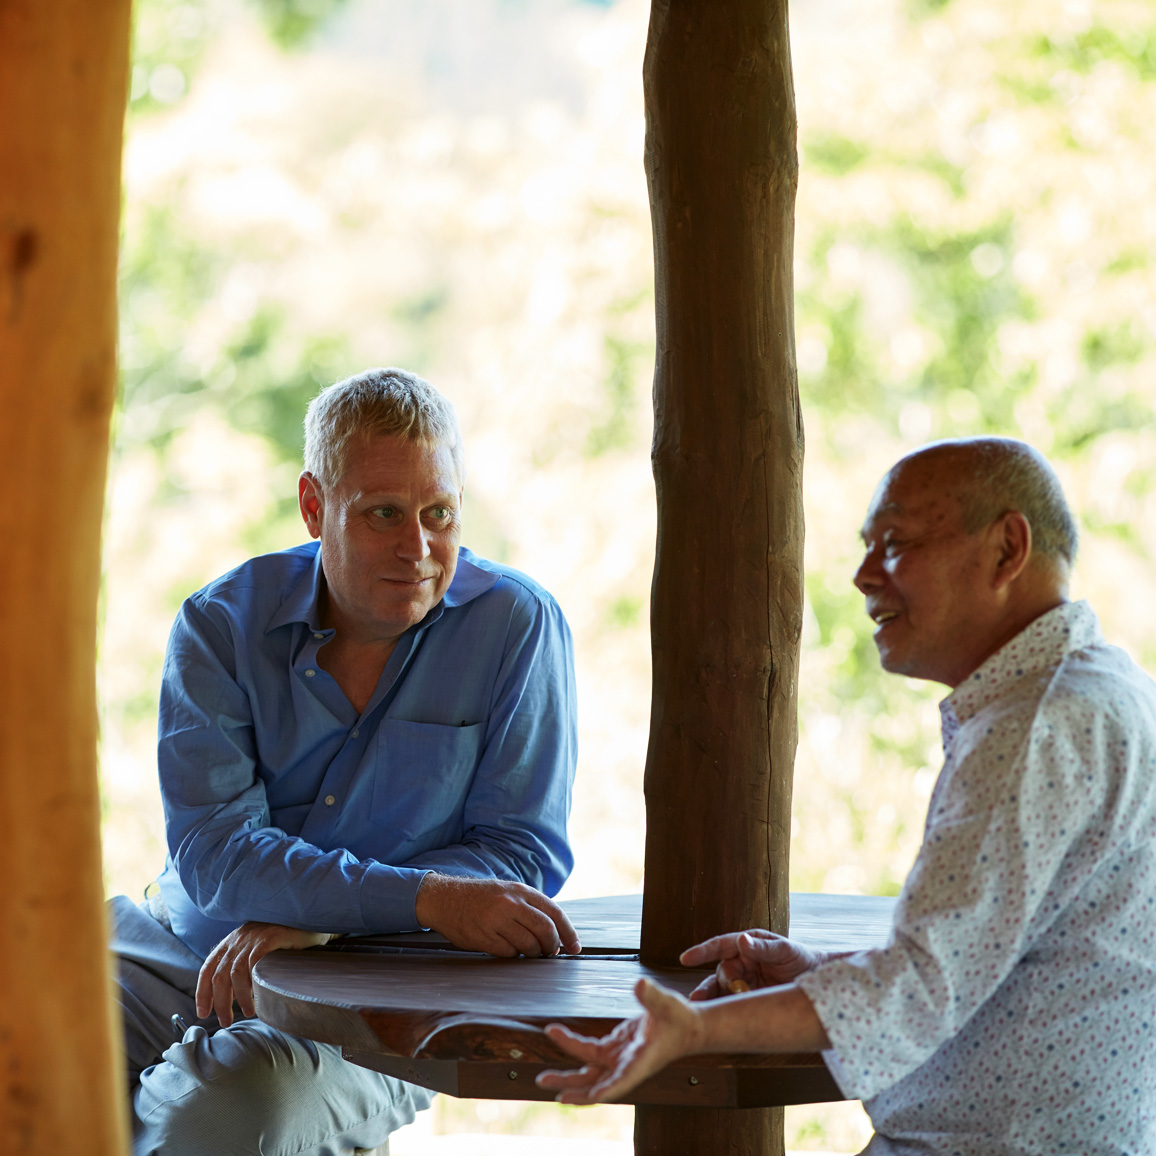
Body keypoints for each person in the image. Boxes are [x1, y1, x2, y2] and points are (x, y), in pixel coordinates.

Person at [537, 437, 1156, 1154]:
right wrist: (815, 972)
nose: (864, 576)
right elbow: (997, 960)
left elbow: (919, 985)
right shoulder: (1105, 690)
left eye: (895, 543)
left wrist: (696, 1030)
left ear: (1006, 549)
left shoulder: (1034, 724)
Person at [111, 367, 581, 1156]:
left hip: (384, 990)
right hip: (173, 950)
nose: (420, 548)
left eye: (440, 514)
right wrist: (419, 895)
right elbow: (219, 860)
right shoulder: (219, 627)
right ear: (312, 506)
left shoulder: (515, 627)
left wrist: (322, 928)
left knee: (224, 1119)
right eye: (384, 515)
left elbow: (520, 858)